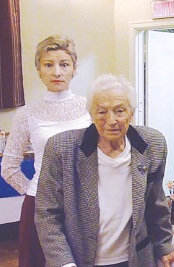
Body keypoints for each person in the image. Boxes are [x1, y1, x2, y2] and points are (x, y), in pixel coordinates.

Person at [34, 74, 174, 267]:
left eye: (119, 111)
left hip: (136, 259)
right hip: (77, 260)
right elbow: (47, 215)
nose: (111, 120)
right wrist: (64, 263)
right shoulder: (61, 149)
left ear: (131, 113)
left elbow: (156, 203)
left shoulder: (152, 144)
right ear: (91, 114)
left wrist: (164, 247)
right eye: (102, 112)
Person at [1, 35, 91, 267]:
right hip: (40, 206)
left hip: (83, 202)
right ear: (39, 70)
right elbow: (9, 167)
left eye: (64, 64)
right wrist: (35, 193)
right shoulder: (26, 114)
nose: (57, 72)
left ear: (74, 69)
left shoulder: (90, 108)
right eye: (48, 65)